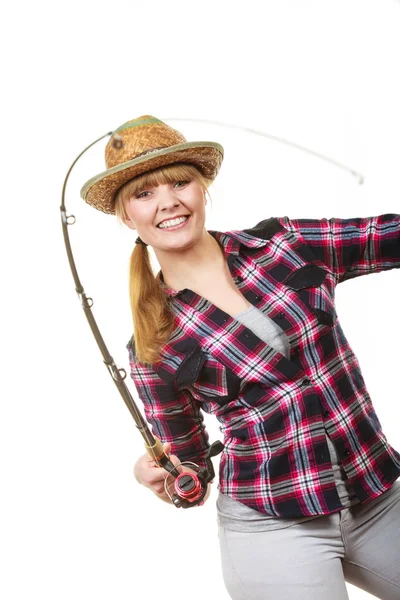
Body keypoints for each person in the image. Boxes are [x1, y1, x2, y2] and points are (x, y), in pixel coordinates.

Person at [80, 114, 400, 600]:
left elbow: (391, 234)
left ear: (202, 188)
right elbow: (189, 472)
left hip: (377, 494)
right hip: (273, 527)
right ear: (127, 216)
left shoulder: (286, 245)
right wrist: (165, 477)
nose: (168, 202)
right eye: (144, 194)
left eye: (180, 182)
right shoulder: (152, 343)